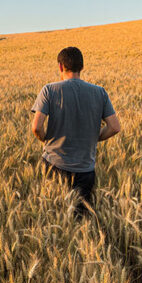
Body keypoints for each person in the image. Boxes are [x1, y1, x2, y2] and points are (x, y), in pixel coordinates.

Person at [30, 46, 121, 216]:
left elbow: (36, 127)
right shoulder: (100, 92)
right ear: (82, 67)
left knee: (54, 215)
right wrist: (95, 137)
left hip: (54, 165)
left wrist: (46, 140)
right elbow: (115, 127)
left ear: (60, 66)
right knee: (80, 220)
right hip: (85, 169)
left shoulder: (49, 90)